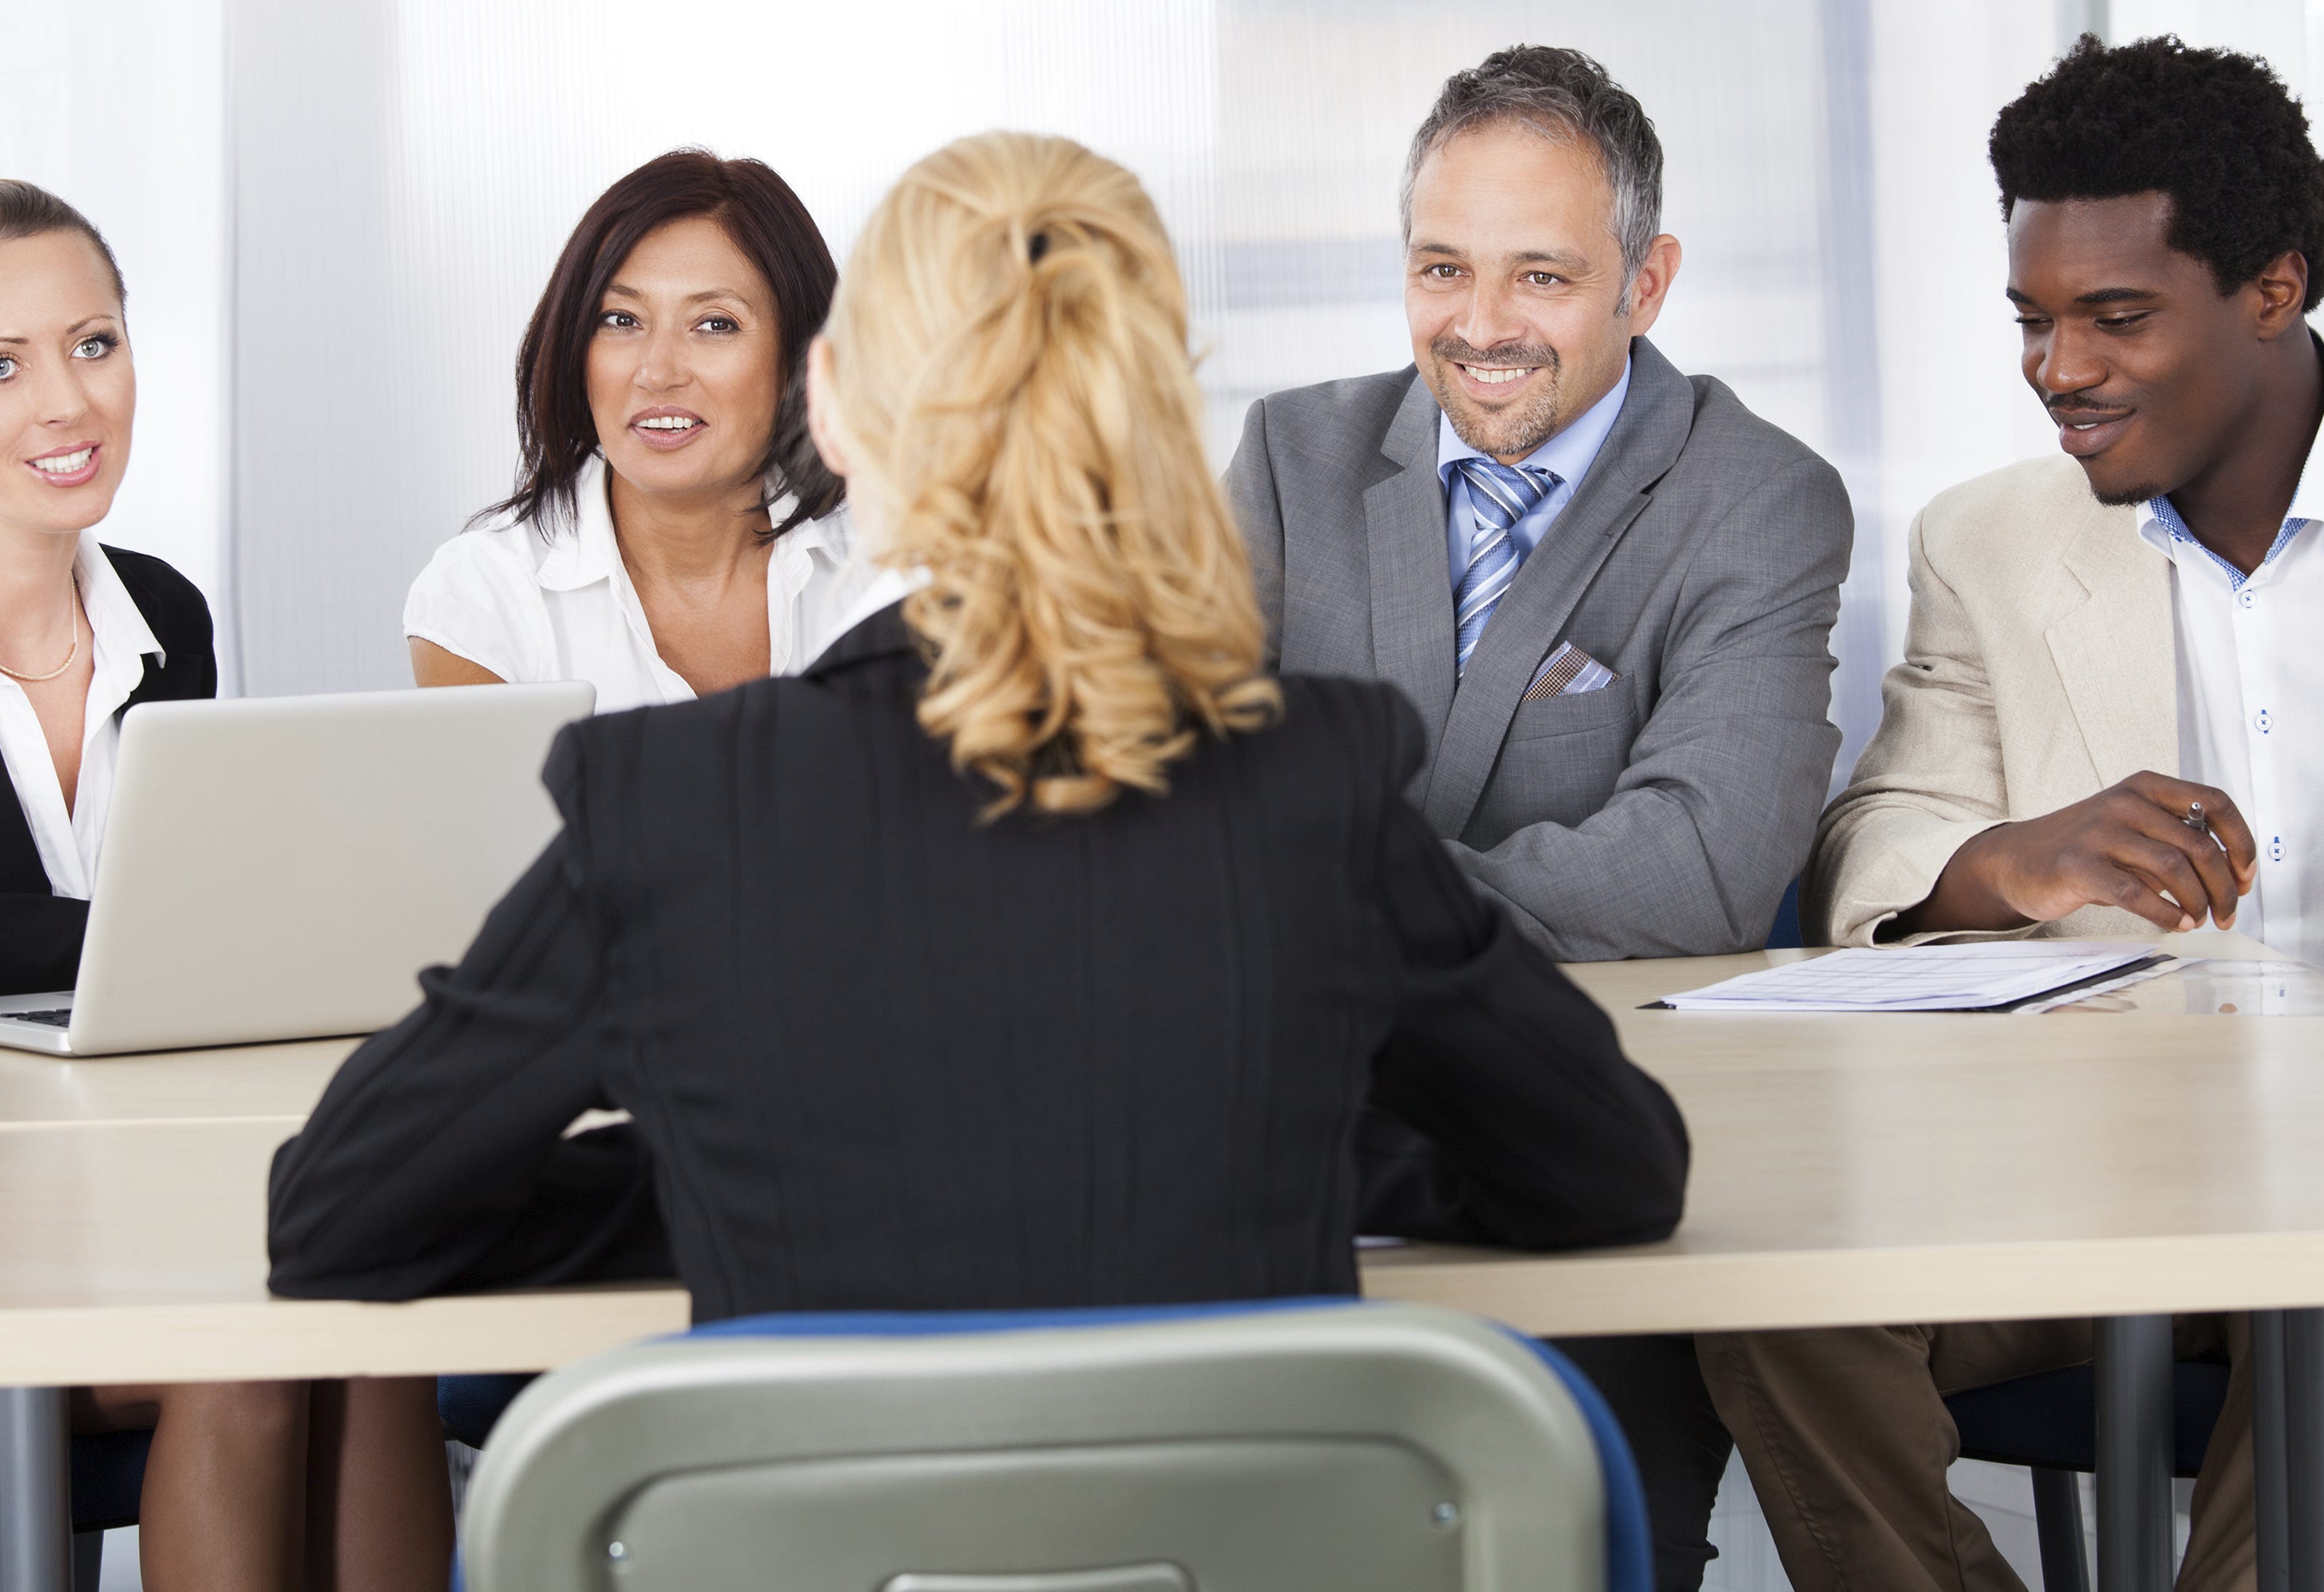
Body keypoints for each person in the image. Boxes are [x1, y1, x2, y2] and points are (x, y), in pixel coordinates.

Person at [265, 133, 1689, 1334]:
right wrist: (1302, 1145)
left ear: (829, 406)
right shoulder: (1309, 779)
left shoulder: (673, 804)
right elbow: (1609, 1172)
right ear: (1152, 409)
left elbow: (340, 1214)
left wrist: (726, 1164)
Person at [1697, 36, 2324, 1592]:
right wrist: (2003, 865)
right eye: (2032, 317)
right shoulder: (1989, 543)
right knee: (1772, 1289)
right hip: (2101, 1178)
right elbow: (1884, 846)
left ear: (2271, 290)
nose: (2055, 368)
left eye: (2114, 316)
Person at [0, 181, 448, 1591]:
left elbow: (162, 964)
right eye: (0, 367)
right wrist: (137, 936)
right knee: (243, 1366)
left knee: (375, 1343)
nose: (70, 401)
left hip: (113, 1190)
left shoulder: (162, 612)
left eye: (95, 344)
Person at [1222, 43, 1853, 1590]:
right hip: (1283, 1146)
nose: (1481, 327)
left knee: (1563, 1539)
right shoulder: (1295, 460)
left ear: (1647, 281)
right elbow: (1180, 797)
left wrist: (1325, 907)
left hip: (1573, 1160)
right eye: (1442, 268)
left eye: (1541, 276)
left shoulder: (1756, 499)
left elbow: (1699, 868)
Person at [404, 149, 879, 704]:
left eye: (715, 324)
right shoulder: (483, 600)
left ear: (801, 355)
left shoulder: (900, 566)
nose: (657, 372)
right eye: (621, 320)